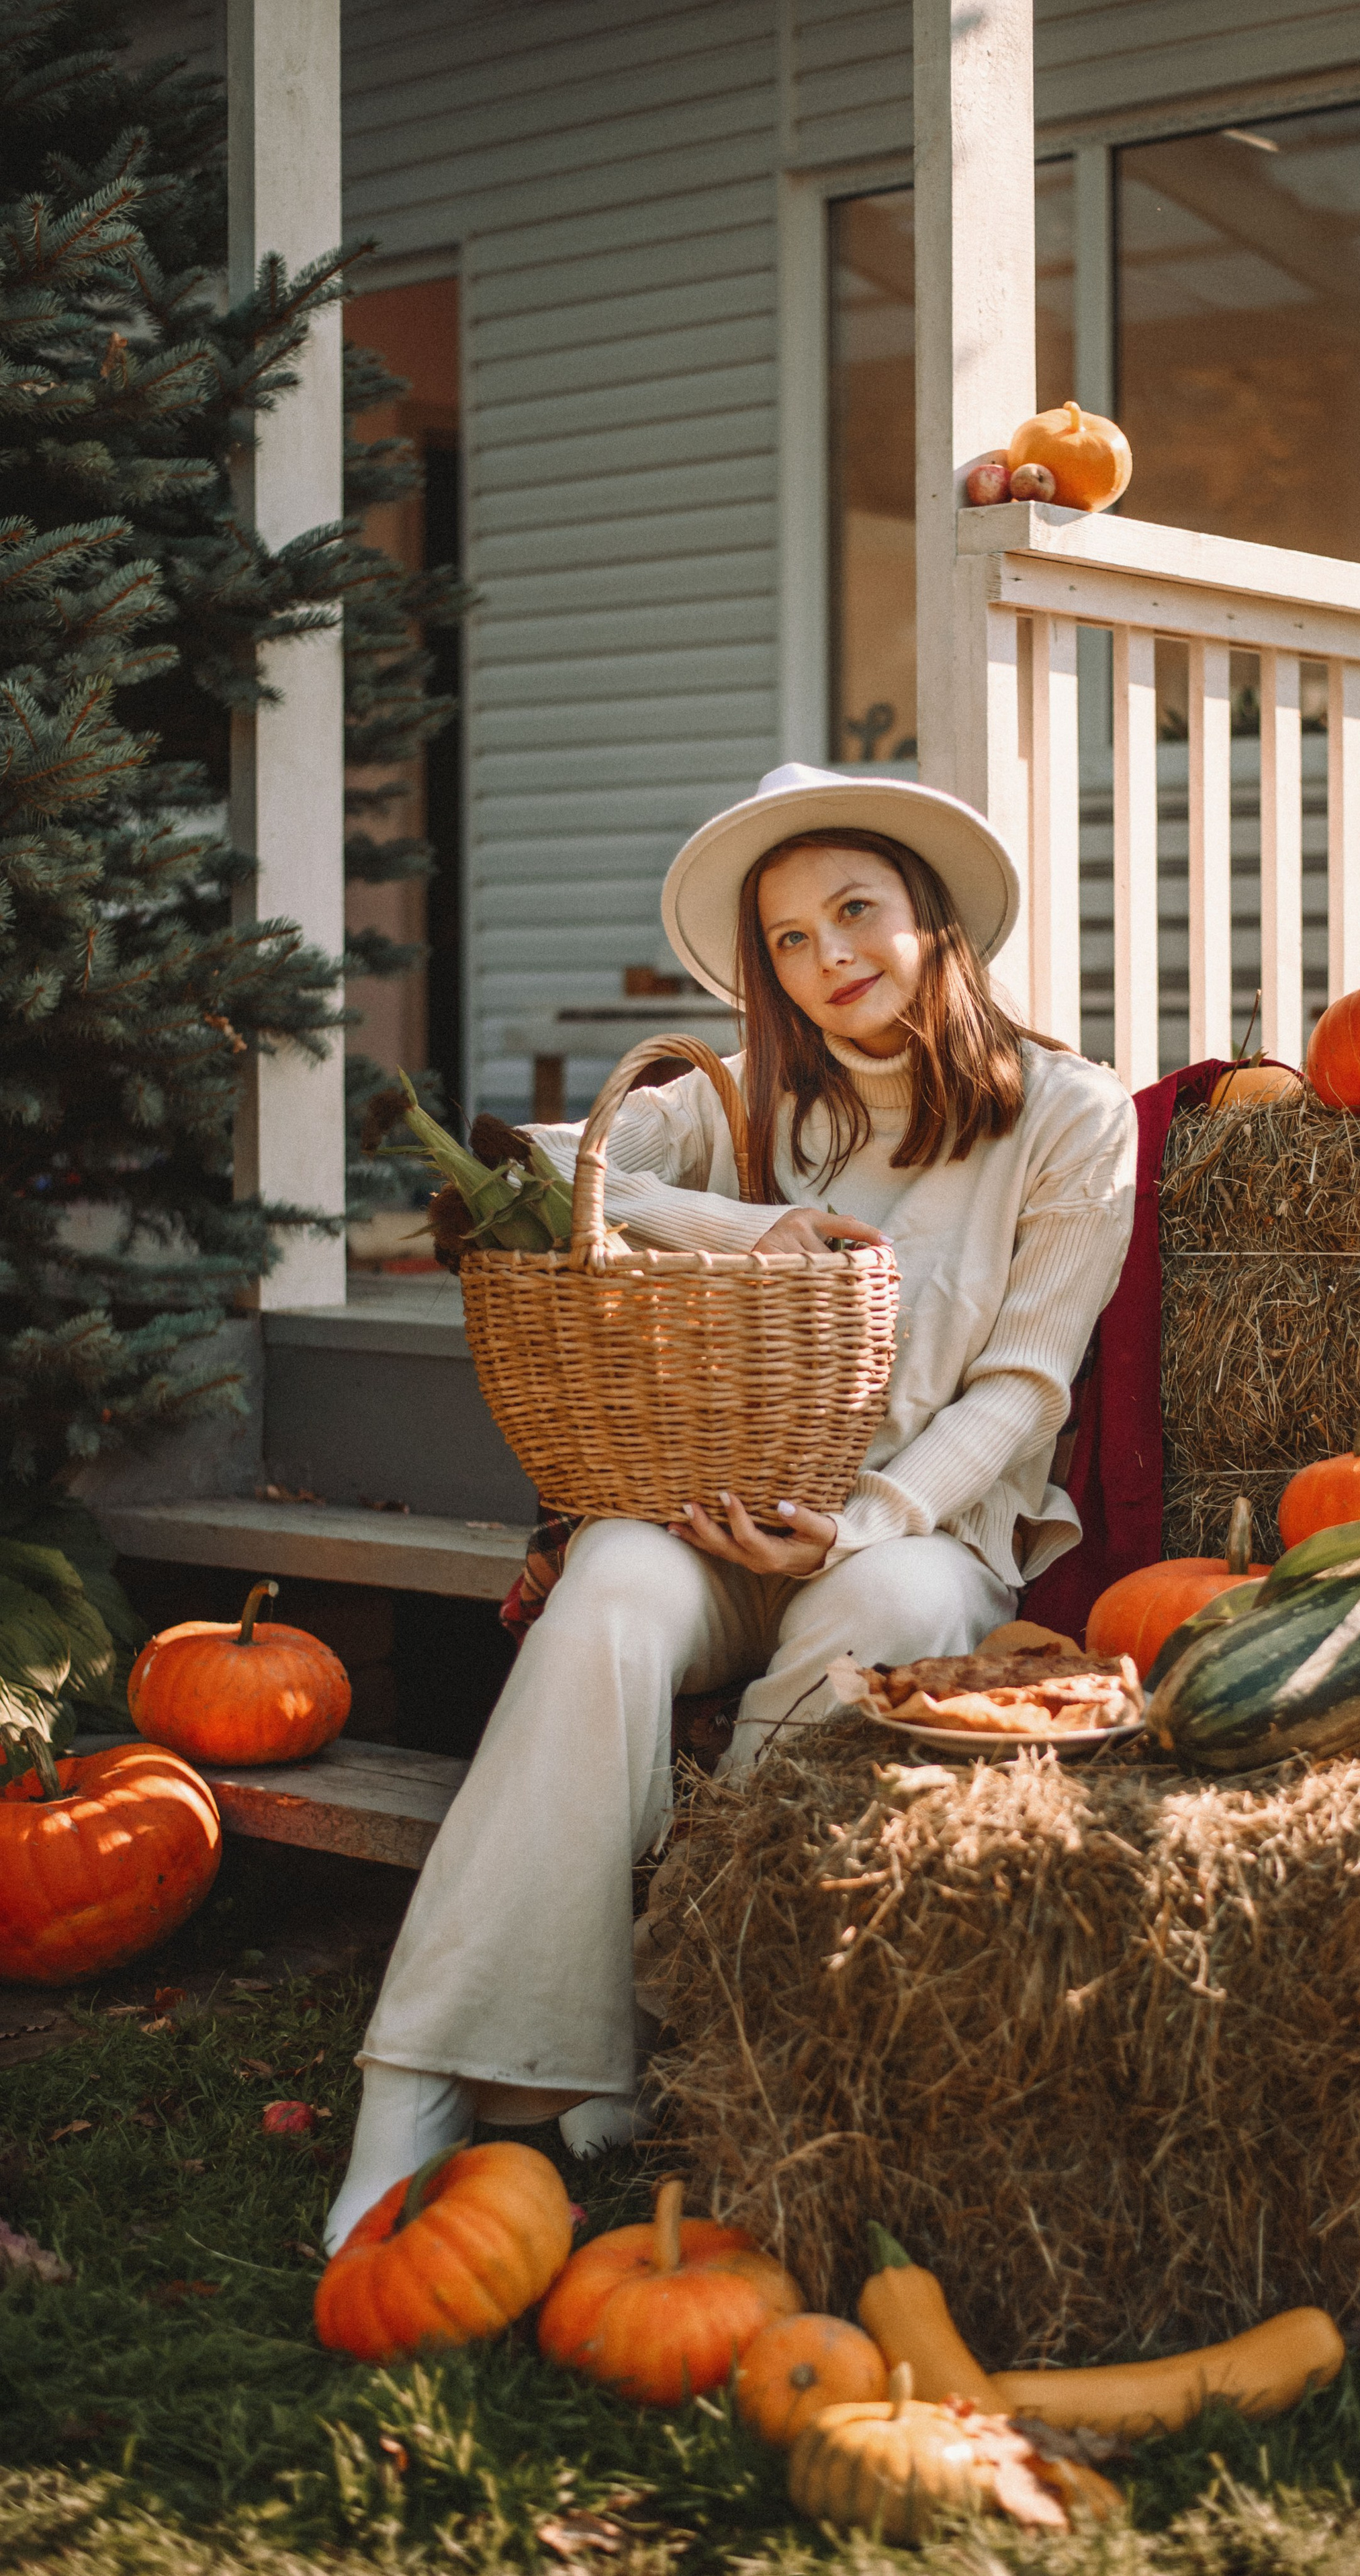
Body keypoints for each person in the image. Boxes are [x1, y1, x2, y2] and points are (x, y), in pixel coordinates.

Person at [322, 762, 1136, 2251]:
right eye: (787, 940)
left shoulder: (1067, 1118)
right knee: (610, 1593)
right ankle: (424, 2069)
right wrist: (749, 1226)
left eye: (855, 913)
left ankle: (673, 2011)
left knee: (879, 1616)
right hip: (703, 1506)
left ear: (930, 918)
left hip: (918, 1537)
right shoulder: (740, 1103)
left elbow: (1023, 1386)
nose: (828, 959)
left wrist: (864, 1519)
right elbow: (553, 1174)